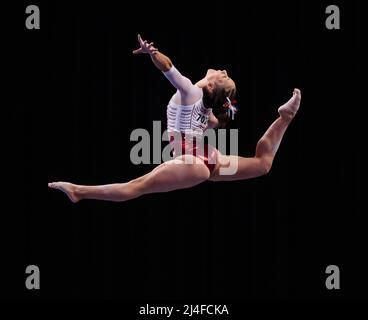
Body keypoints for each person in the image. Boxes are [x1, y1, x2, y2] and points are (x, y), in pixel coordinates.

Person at [48, 34, 301, 203]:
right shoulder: (206, 109)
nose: (223, 70)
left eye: (223, 77)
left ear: (212, 87)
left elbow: (168, 68)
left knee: (136, 186)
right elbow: (217, 121)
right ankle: (285, 118)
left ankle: (78, 191)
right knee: (262, 164)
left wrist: (152, 52)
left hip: (193, 160)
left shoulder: (191, 91)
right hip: (209, 157)